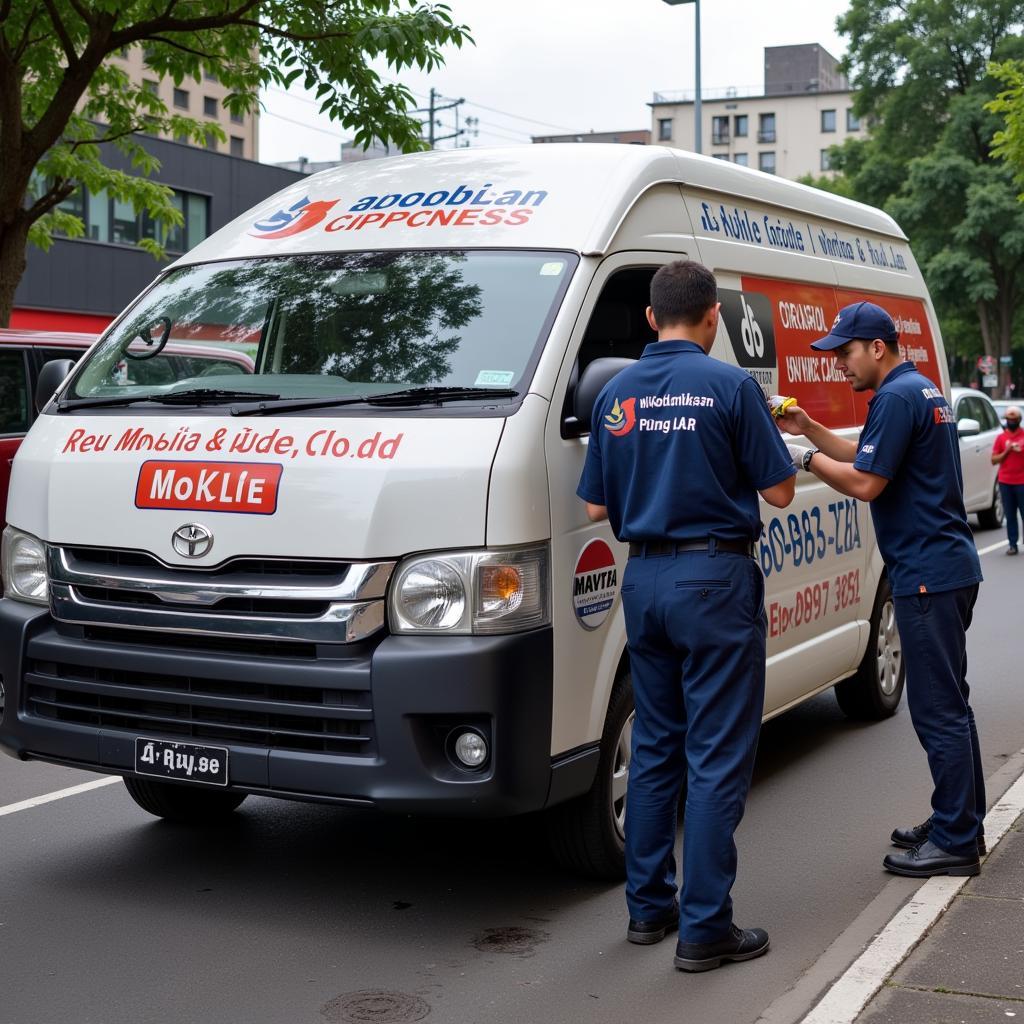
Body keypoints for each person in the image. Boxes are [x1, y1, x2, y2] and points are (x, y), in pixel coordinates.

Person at [576, 260, 796, 972]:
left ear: (649, 318)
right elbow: (783, 490)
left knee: (657, 751)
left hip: (645, 582)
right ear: (712, 320)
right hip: (715, 580)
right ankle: (706, 930)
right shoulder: (730, 385)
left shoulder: (617, 393)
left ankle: (649, 912)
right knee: (717, 757)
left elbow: (594, 507)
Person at [777, 301, 985, 878]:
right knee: (954, 704)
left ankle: (957, 841)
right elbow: (869, 455)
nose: (840, 364)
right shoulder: (918, 390)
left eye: (845, 353)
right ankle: (958, 820)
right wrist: (811, 429)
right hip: (947, 566)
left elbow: (866, 482)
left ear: (877, 347)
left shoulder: (894, 398)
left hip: (925, 573)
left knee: (938, 711)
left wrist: (805, 458)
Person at [991, 405, 1024, 555]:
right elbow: (993, 460)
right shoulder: (1001, 438)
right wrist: (1007, 450)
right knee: (1010, 515)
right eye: (1009, 419)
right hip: (1005, 482)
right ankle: (1013, 544)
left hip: (1022, 482)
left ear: (1019, 420)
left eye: (1014, 419)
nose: (1011, 422)